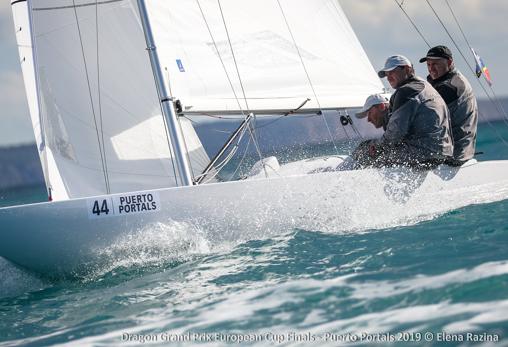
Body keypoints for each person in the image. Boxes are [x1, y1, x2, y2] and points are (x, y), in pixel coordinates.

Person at [352, 55, 454, 169]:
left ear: (407, 69)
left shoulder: (406, 91)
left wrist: (373, 147)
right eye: (387, 75)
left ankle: (349, 182)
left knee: (364, 151)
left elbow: (394, 135)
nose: (389, 78)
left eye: (392, 72)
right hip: (442, 151)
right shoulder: (423, 85)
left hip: (424, 153)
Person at [419, 45, 478, 165]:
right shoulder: (448, 80)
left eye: (435, 64)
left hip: (454, 153)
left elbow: (428, 119)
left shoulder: (450, 86)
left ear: (449, 62)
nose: (431, 69)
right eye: (429, 65)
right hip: (459, 149)